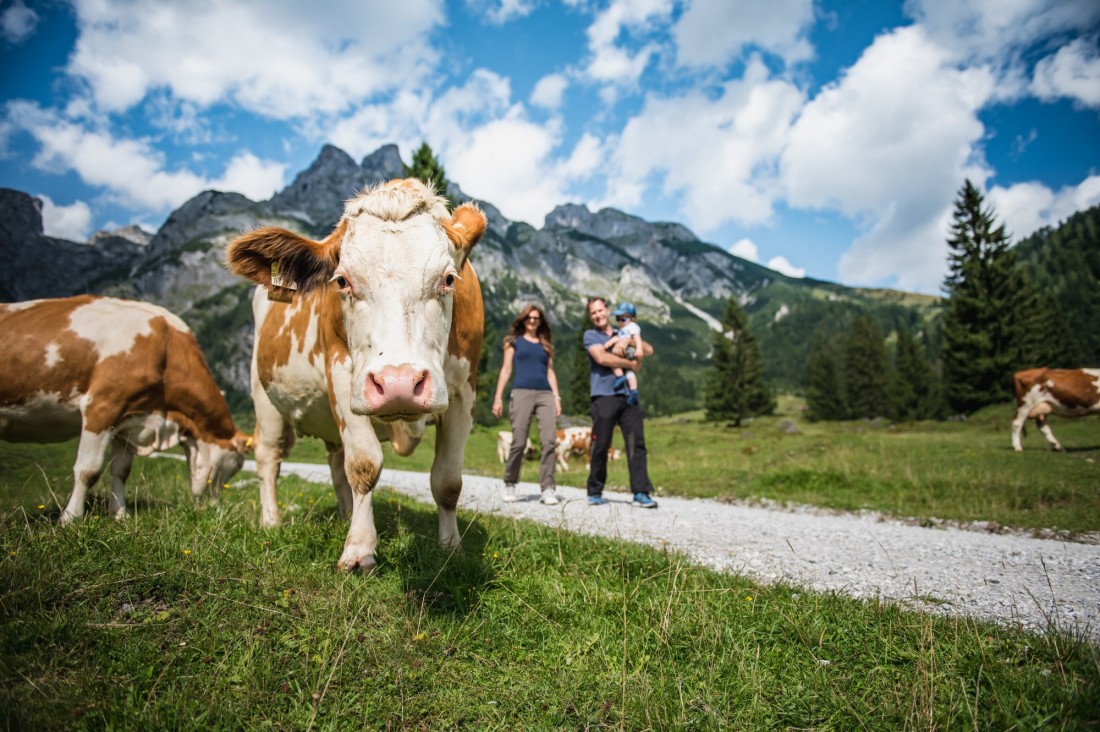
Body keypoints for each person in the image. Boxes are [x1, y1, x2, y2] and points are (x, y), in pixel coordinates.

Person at [582, 296, 658, 508]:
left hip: (628, 396)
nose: (598, 315)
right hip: (603, 396)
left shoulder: (623, 331)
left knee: (637, 443)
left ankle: (641, 492)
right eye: (593, 313)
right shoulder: (591, 335)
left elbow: (649, 350)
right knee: (601, 444)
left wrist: (628, 341)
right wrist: (630, 364)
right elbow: (602, 359)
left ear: (607, 311)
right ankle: (595, 491)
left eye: (600, 310)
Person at [491, 304, 562, 505]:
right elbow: (506, 370)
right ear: (523, 320)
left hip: (545, 394)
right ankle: (510, 483)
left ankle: (548, 488)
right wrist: (498, 397)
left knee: (549, 441)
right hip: (521, 393)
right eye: (529, 317)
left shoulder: (545, 344)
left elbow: (550, 372)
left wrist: (557, 397)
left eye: (536, 318)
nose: (532, 321)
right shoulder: (513, 342)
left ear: (540, 322)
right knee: (519, 442)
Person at [604, 302, 642, 405]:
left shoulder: (632, 327)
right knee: (629, 372)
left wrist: (639, 349)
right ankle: (633, 390)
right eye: (618, 319)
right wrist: (611, 342)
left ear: (632, 319)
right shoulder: (622, 330)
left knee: (611, 358)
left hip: (629, 350)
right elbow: (617, 338)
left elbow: (637, 338)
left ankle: (620, 376)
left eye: (623, 319)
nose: (620, 322)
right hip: (627, 352)